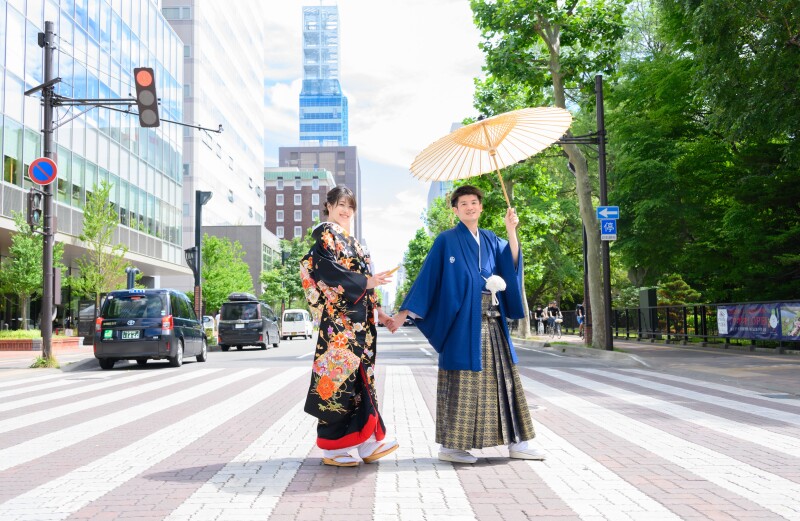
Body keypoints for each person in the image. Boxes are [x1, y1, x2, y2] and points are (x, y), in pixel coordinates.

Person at [388, 185, 544, 464]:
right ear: (455, 209)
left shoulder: (491, 239)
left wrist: (511, 231)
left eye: (475, 202)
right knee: (463, 382)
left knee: (505, 380)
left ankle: (518, 442)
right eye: (464, 203)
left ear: (481, 207)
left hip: (493, 322)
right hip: (462, 324)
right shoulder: (446, 241)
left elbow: (510, 263)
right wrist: (403, 314)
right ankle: (451, 446)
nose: (470, 207)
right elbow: (429, 279)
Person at [300, 186, 399, 467]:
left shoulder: (354, 242)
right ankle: (332, 447)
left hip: (359, 323)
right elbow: (327, 272)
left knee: (360, 382)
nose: (346, 210)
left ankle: (367, 442)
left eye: (350, 206)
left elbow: (366, 278)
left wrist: (380, 312)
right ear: (329, 206)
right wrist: (366, 282)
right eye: (340, 204)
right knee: (337, 383)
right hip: (339, 327)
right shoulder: (325, 234)